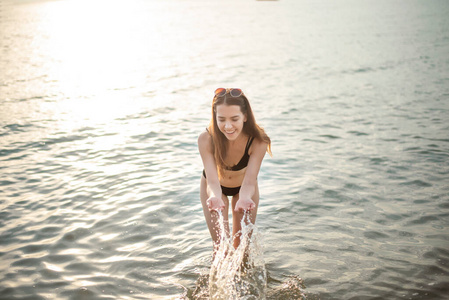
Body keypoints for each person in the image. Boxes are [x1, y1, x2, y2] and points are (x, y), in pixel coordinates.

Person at [198, 88, 271, 252]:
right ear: (214, 117)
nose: (228, 126)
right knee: (220, 248)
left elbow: (250, 182)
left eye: (234, 119)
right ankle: (215, 278)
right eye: (221, 119)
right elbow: (212, 181)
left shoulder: (258, 141)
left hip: (244, 188)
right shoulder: (206, 139)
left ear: (245, 117)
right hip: (214, 189)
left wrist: (245, 198)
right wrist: (215, 197)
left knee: (242, 249)